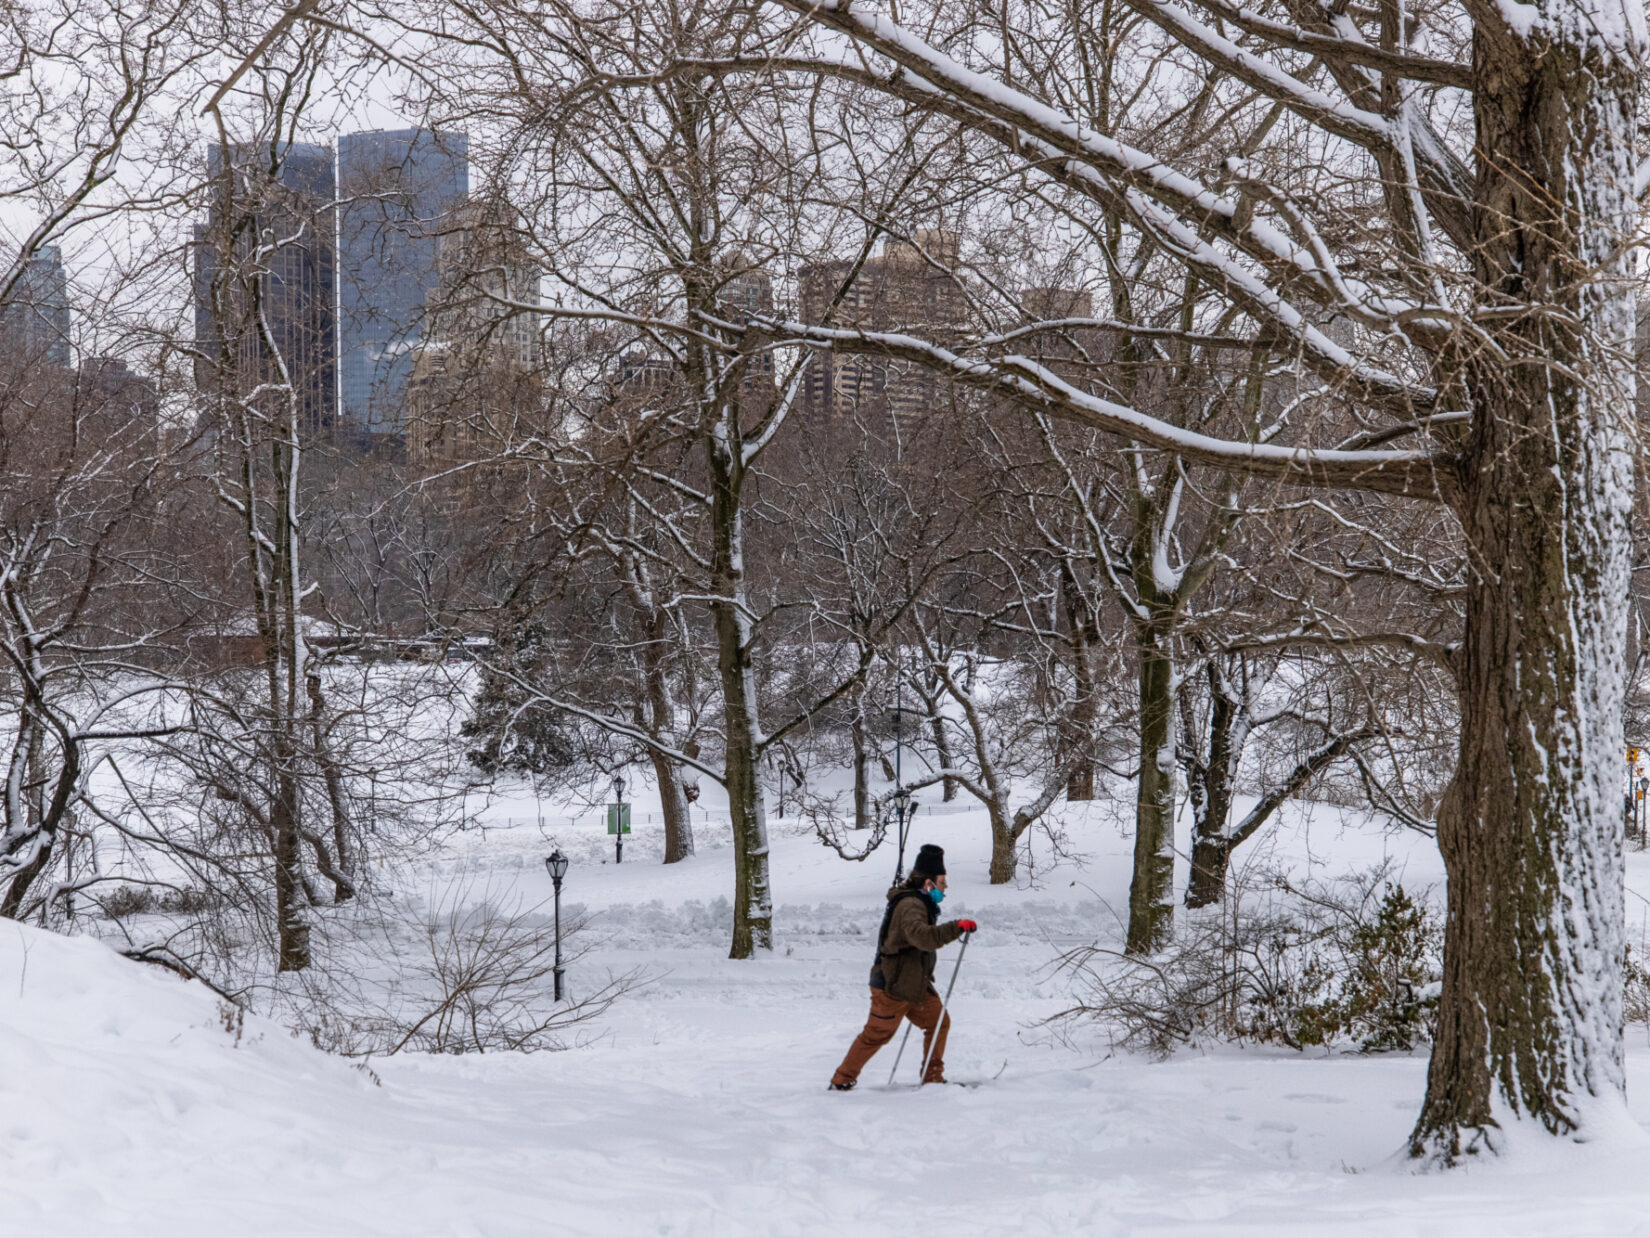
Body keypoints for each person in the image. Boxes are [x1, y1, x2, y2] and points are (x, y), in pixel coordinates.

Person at [829, 844, 977, 1090]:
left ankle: (932, 1079)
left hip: (913, 984)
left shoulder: (919, 902)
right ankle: (841, 1079)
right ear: (929, 883)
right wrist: (956, 927)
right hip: (893, 987)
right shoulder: (911, 905)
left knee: (939, 1022)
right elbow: (922, 937)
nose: (946, 887)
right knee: (876, 1035)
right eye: (942, 882)